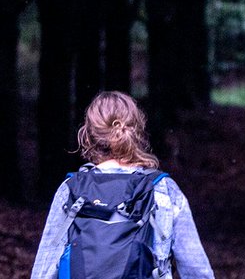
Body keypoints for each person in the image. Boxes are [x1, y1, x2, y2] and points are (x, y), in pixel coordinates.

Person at [30, 91, 216, 279]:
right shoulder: (162, 189)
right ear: (138, 132)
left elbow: (43, 271)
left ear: (87, 136)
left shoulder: (71, 190)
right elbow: (196, 270)